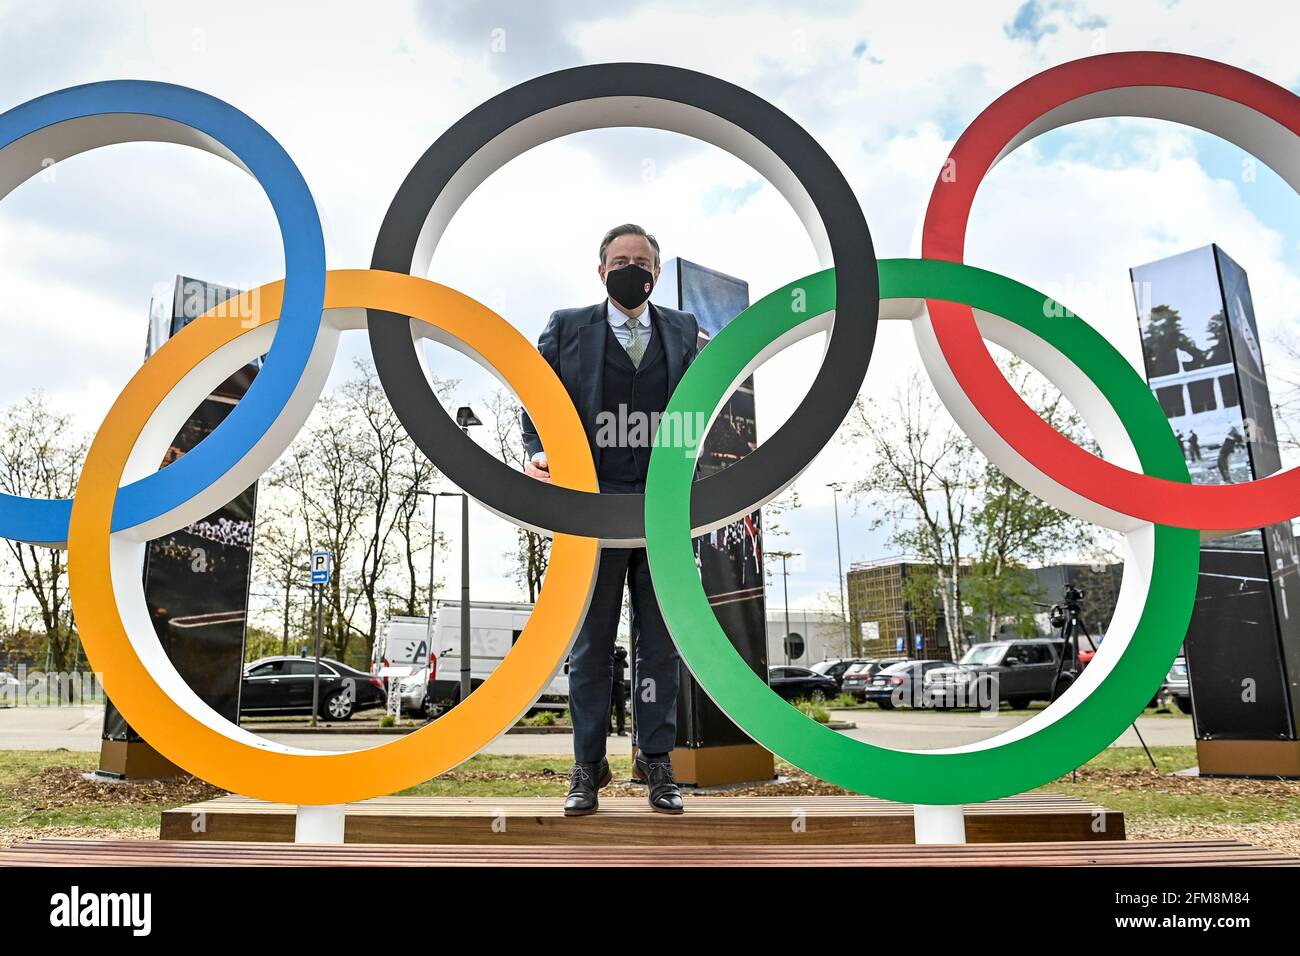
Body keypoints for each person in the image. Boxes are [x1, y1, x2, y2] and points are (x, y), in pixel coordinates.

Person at [521, 223, 698, 816]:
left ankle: (656, 761)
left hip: (661, 507)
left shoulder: (681, 329)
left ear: (656, 269)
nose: (632, 268)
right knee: (591, 643)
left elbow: (701, 401)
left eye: (642, 260)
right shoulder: (568, 326)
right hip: (591, 503)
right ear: (601, 271)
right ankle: (586, 765)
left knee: (661, 645)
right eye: (620, 260)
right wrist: (537, 449)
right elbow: (535, 391)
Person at [609, 645, 628, 736]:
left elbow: (623, 653)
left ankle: (621, 729)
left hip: (619, 683)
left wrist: (615, 653)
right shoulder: (606, 648)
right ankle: (608, 729)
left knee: (620, 707)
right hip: (609, 683)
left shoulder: (619, 648)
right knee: (608, 707)